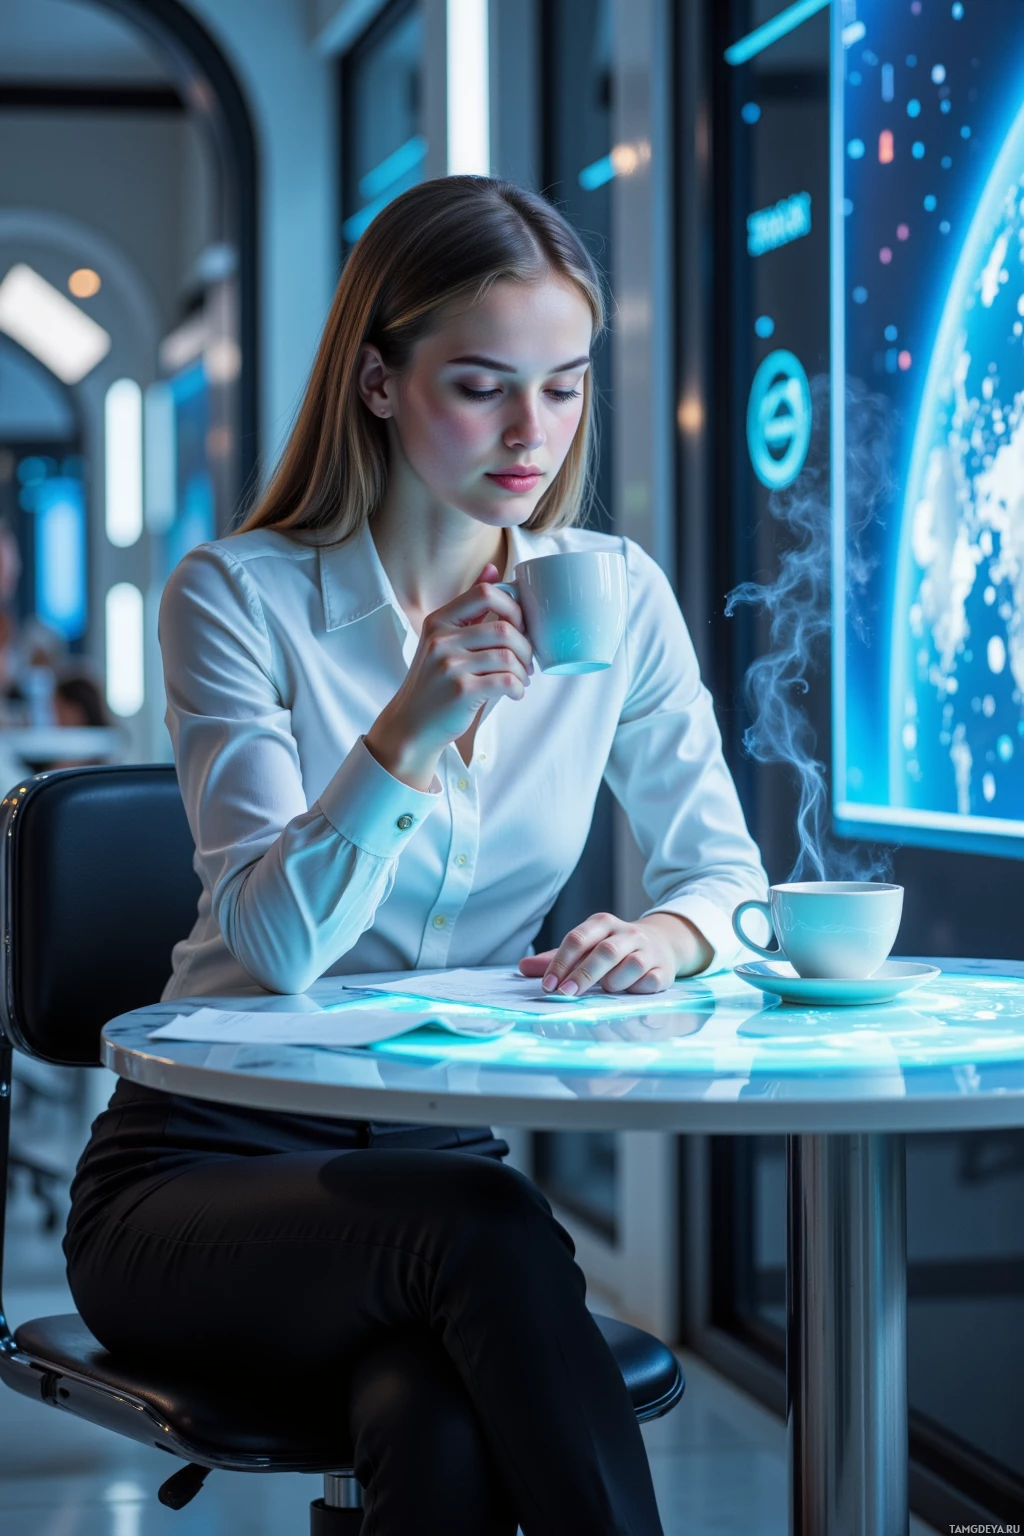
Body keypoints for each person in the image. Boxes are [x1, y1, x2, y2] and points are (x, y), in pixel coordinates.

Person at [64, 177, 768, 1535]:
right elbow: (277, 947)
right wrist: (409, 727)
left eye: (564, 387)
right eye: (483, 387)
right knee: (487, 1230)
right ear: (379, 382)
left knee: (432, 1417)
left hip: (433, 1177)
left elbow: (728, 885)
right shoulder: (241, 595)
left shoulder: (612, 595)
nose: (531, 434)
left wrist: (665, 935)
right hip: (202, 1175)